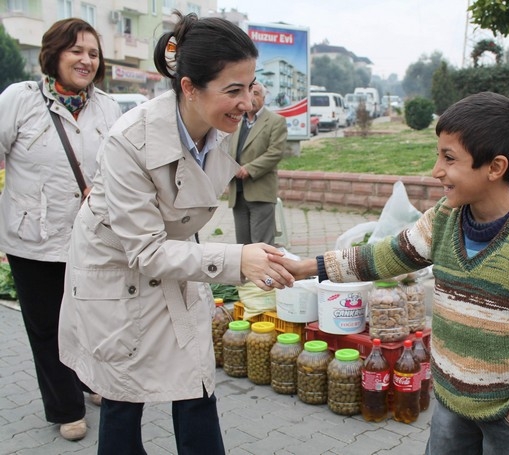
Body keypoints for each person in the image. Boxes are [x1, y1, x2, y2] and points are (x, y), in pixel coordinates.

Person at [270, 91, 509, 454]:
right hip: (450, 405)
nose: (436, 171)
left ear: (495, 167)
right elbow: (390, 256)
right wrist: (309, 267)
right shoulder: (445, 217)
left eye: (449, 158)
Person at [57, 12, 294, 455]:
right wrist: (236, 259)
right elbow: (143, 251)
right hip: (117, 270)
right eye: (233, 90)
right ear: (189, 87)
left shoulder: (222, 129)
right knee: (125, 395)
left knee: (196, 382)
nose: (247, 102)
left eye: (251, 86)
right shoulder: (130, 140)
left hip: (174, 259)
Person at [0, 18, 121, 441]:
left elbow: (121, 169)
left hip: (91, 237)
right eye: (76, 51)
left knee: (92, 318)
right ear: (54, 54)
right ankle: (66, 407)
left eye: (92, 52)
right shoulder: (20, 99)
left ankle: (90, 382)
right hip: (31, 238)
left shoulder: (108, 107)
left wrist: (104, 187)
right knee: (48, 326)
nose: (86, 60)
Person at [228, 81, 287, 245]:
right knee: (243, 246)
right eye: (248, 93)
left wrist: (248, 169)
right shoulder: (236, 120)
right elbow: (225, 148)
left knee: (261, 245)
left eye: (256, 94)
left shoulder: (276, 121)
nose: (251, 98)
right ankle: (245, 272)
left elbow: (275, 153)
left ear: (264, 97)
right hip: (237, 192)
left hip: (260, 191)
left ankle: (266, 272)